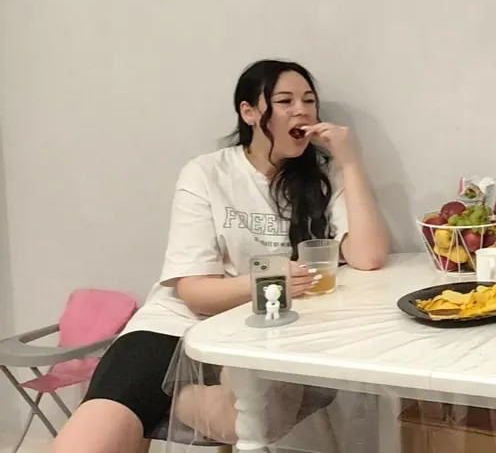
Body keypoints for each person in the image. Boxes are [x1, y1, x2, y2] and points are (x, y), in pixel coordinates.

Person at [54, 60, 391, 453]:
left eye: (309, 101)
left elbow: (368, 256)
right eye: (285, 101)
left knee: (248, 420)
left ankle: (166, 394)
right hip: (174, 329)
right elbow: (194, 292)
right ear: (248, 112)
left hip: (267, 335)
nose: (302, 111)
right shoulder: (206, 173)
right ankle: (157, 390)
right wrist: (270, 281)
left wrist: (350, 162)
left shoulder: (323, 177)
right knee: (86, 442)